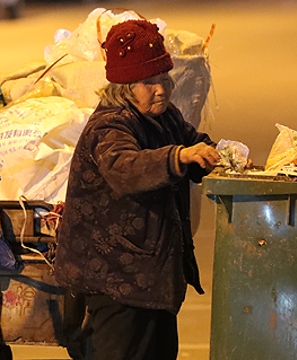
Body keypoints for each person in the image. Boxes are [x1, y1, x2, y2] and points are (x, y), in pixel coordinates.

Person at [54, 19, 220, 360]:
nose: (161, 89)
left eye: (164, 79)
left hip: (151, 281)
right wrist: (178, 156)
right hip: (117, 281)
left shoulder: (165, 116)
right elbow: (124, 168)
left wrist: (214, 153)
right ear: (124, 86)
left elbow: (193, 143)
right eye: (149, 82)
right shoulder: (110, 125)